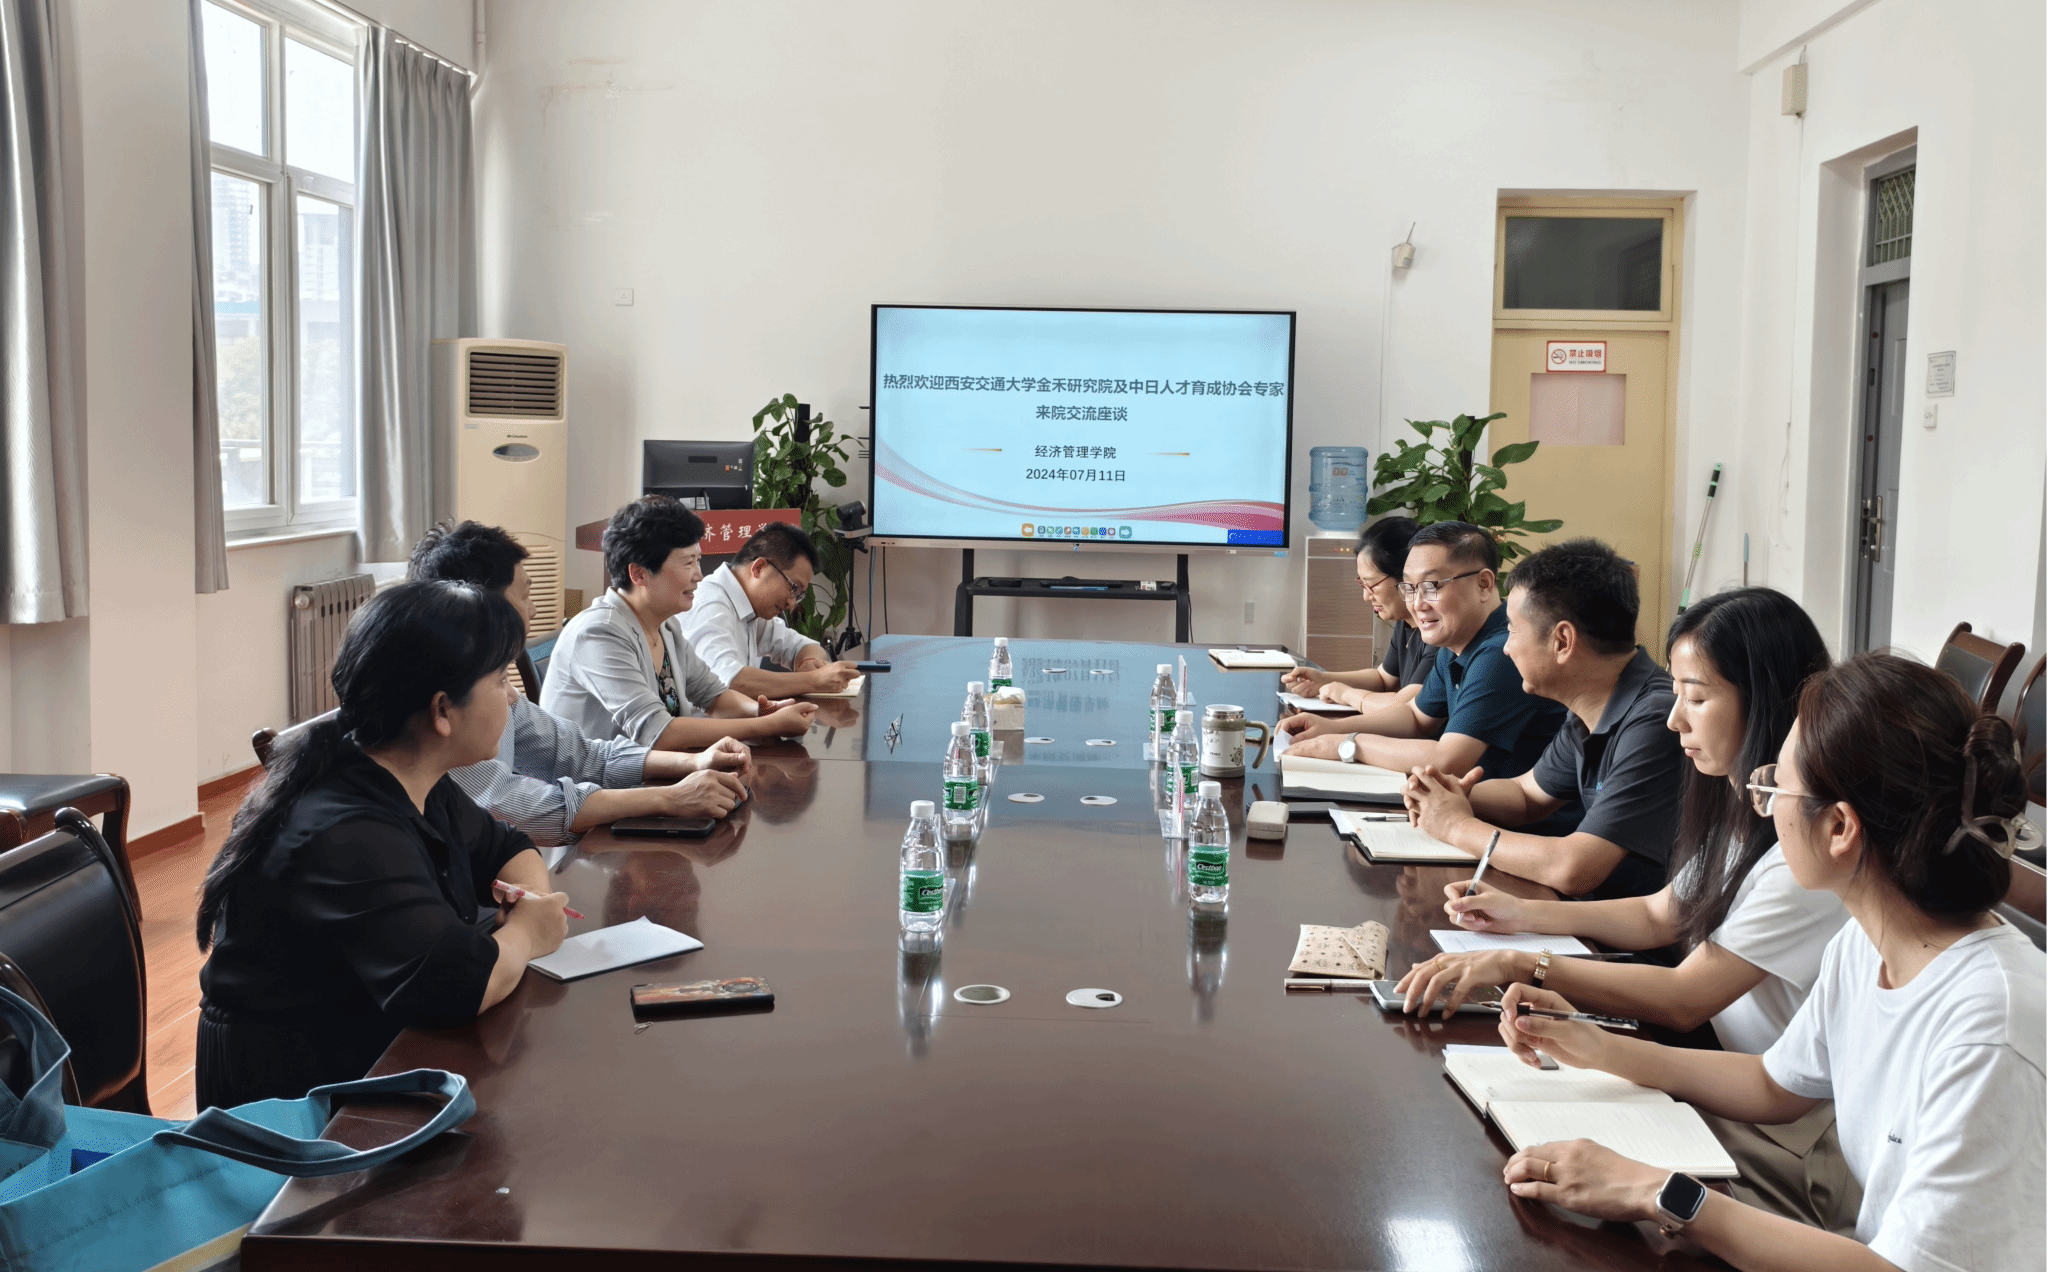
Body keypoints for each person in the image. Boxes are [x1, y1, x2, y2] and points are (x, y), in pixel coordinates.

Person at [1495, 653, 2044, 1273]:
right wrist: (1597, 1048)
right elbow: (1774, 1085)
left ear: (1839, 827)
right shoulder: (1866, 941)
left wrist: (1657, 1192)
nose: (1765, 806)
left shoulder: (1989, 1031)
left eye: (1775, 787)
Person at [1399, 588, 1855, 1229]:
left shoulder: (1804, 854)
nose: (1675, 721)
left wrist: (1527, 965)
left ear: (1766, 702)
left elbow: (1684, 998)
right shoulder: (1744, 805)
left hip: (1774, 1131)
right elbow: (1660, 915)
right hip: (1720, 1072)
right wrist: (1523, 916)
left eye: (1697, 698)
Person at [195, 581, 571, 1109]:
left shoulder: (413, 774)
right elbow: (460, 985)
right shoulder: (346, 832)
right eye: (499, 680)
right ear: (442, 710)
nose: (512, 697)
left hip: (371, 1050)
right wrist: (528, 933)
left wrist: (532, 902)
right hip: (296, 1104)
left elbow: (508, 846)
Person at [408, 521, 753, 850]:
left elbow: (582, 755)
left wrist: (693, 763)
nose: (533, 609)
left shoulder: (666, 627)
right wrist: (671, 797)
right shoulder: (450, 705)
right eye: (688, 562)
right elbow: (513, 806)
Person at [1402, 538, 1684, 898]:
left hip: (1633, 928)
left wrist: (1455, 825)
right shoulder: (1589, 702)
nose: (1506, 647)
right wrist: (1449, 794)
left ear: (1562, 641)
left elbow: (1573, 868)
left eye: (1512, 629)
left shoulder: (1656, 719)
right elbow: (1527, 795)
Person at [1284, 521, 1569, 790]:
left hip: (1517, 819)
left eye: (1431, 586)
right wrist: (1331, 728)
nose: (1417, 604)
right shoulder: (1455, 643)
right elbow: (1415, 717)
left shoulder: (1501, 652)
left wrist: (1344, 744)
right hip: (1470, 806)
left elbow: (1448, 759)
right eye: (1410, 588)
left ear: (1484, 584)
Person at [541, 497, 819, 748]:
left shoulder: (666, 626)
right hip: (596, 785)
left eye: (698, 561)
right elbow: (658, 733)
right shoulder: (600, 632)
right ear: (639, 574)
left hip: (653, 776)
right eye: (688, 563)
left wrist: (765, 711)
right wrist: (767, 724)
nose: (699, 575)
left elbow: (714, 697)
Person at [680, 522, 864, 698]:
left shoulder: (751, 608)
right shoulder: (710, 604)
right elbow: (728, 682)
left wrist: (809, 662)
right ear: (759, 568)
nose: (792, 603)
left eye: (799, 595)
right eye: (793, 588)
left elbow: (804, 646)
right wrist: (813, 680)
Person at [1281, 516, 1431, 711]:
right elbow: (1384, 679)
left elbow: (1405, 707)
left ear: (1407, 577)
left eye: (1371, 585)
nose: (1366, 597)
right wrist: (1322, 679)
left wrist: (1345, 693)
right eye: (1362, 584)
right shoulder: (1406, 622)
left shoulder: (1437, 631)